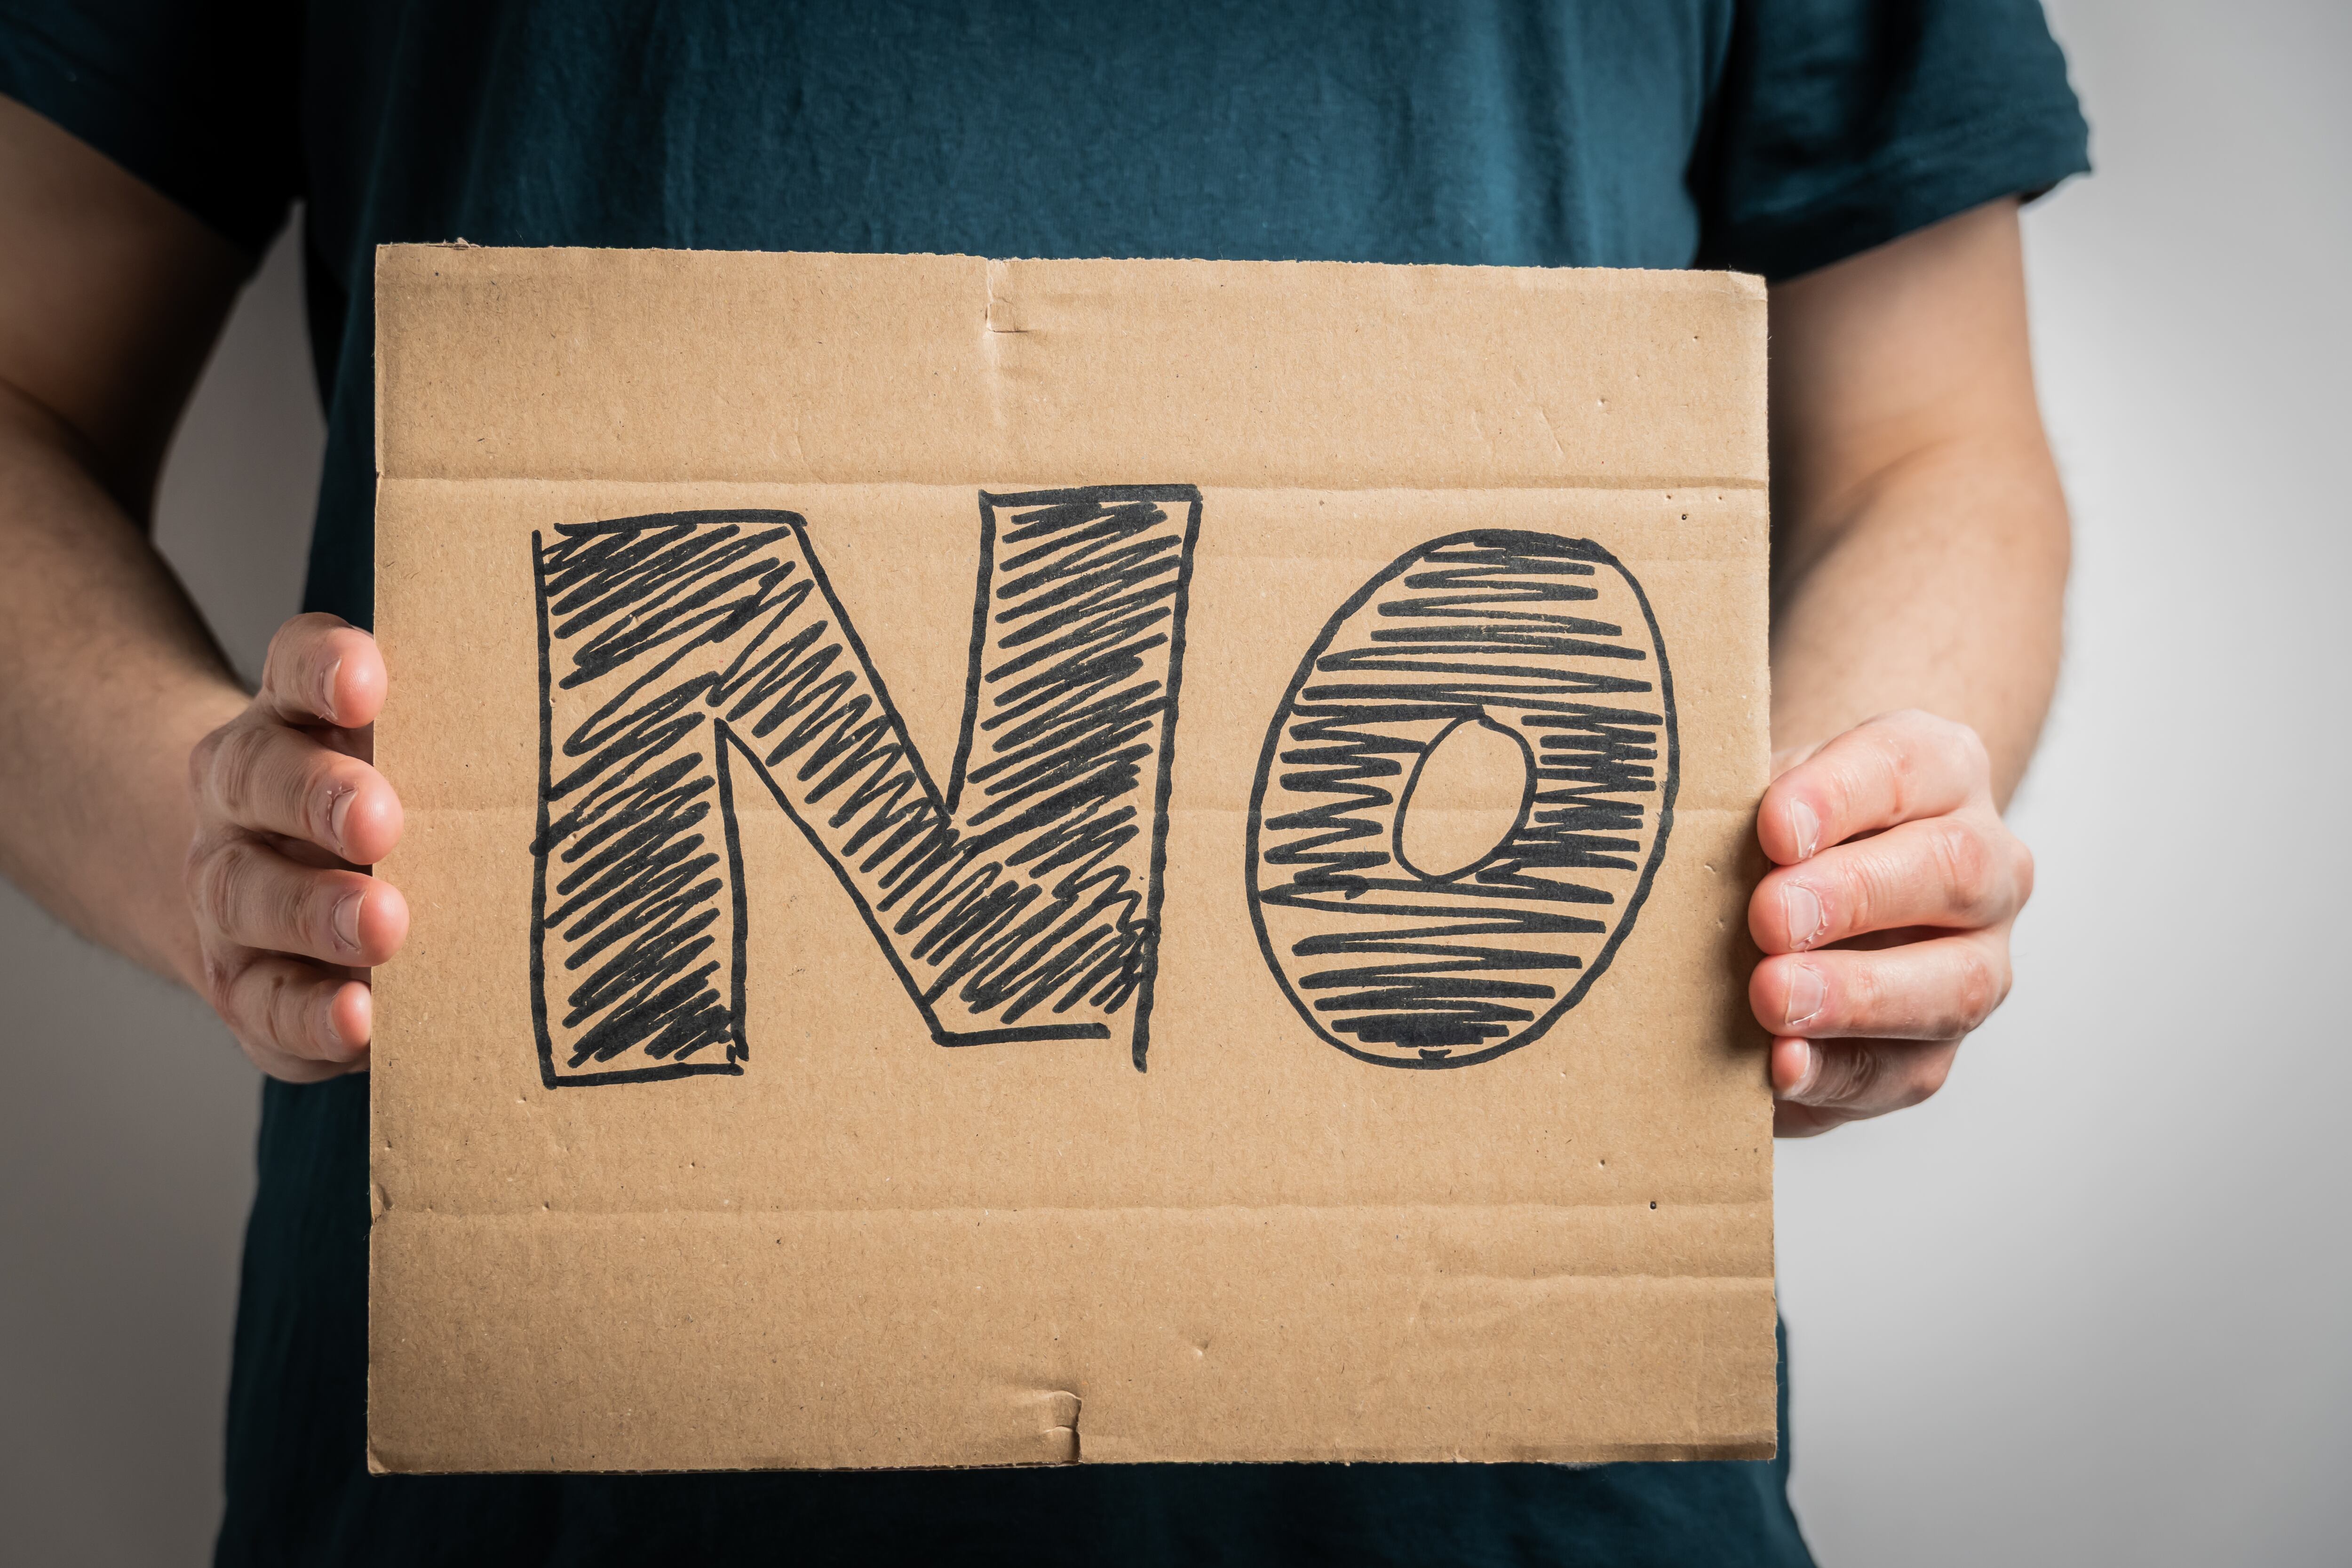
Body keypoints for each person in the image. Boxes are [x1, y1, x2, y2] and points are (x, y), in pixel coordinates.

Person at [0, 2, 2084, 1562]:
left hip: (1521, 1481)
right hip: (524, 1469)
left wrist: (1848, 854)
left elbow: (1927, 448)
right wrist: (190, 823)